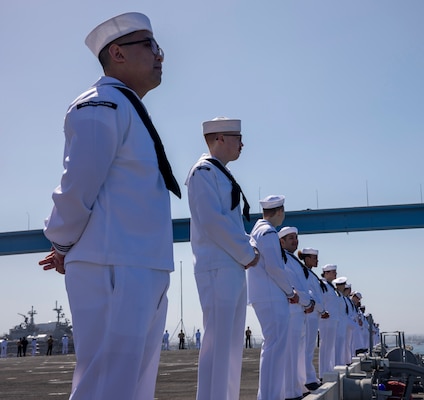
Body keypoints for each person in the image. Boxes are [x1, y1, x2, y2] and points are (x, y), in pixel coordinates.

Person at [38, 12, 180, 400]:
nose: (160, 56)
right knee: (105, 385)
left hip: (140, 264)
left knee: (132, 386)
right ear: (117, 53)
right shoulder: (100, 106)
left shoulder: (126, 107)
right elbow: (78, 185)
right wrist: (63, 242)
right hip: (113, 265)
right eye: (150, 46)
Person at [186, 117, 259, 400]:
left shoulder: (219, 173)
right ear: (219, 139)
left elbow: (228, 224)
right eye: (236, 137)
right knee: (219, 346)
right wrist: (247, 252)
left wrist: (246, 250)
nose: (241, 144)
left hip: (230, 266)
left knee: (230, 347)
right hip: (217, 267)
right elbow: (212, 222)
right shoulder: (203, 172)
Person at [247, 195, 299, 400]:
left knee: (272, 347)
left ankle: (268, 395)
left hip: (265, 295)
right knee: (275, 349)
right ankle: (270, 396)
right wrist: (290, 292)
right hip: (272, 296)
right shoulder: (268, 233)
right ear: (279, 211)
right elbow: (275, 267)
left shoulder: (258, 230)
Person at [278, 227, 315, 400]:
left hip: (300, 311)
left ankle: (296, 388)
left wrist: (308, 302)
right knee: (290, 354)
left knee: (298, 353)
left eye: (296, 238)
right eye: (290, 238)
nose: (295, 241)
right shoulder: (283, 259)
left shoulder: (293, 260)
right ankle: (289, 392)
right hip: (292, 311)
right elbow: (293, 286)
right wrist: (307, 302)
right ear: (281, 242)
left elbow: (303, 287)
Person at [297, 248, 329, 392]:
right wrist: (322, 309)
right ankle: (308, 379)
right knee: (306, 348)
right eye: (314, 258)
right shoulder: (304, 272)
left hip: (314, 313)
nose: (317, 261)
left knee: (308, 347)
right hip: (310, 313)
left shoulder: (310, 273)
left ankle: (309, 378)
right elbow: (311, 295)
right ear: (307, 258)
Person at [318, 264, 341, 379]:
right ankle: (323, 372)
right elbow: (321, 300)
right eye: (333, 272)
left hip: (332, 320)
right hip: (326, 320)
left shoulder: (330, 287)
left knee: (330, 347)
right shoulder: (322, 285)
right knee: (325, 346)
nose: (335, 274)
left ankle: (328, 369)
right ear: (326, 273)